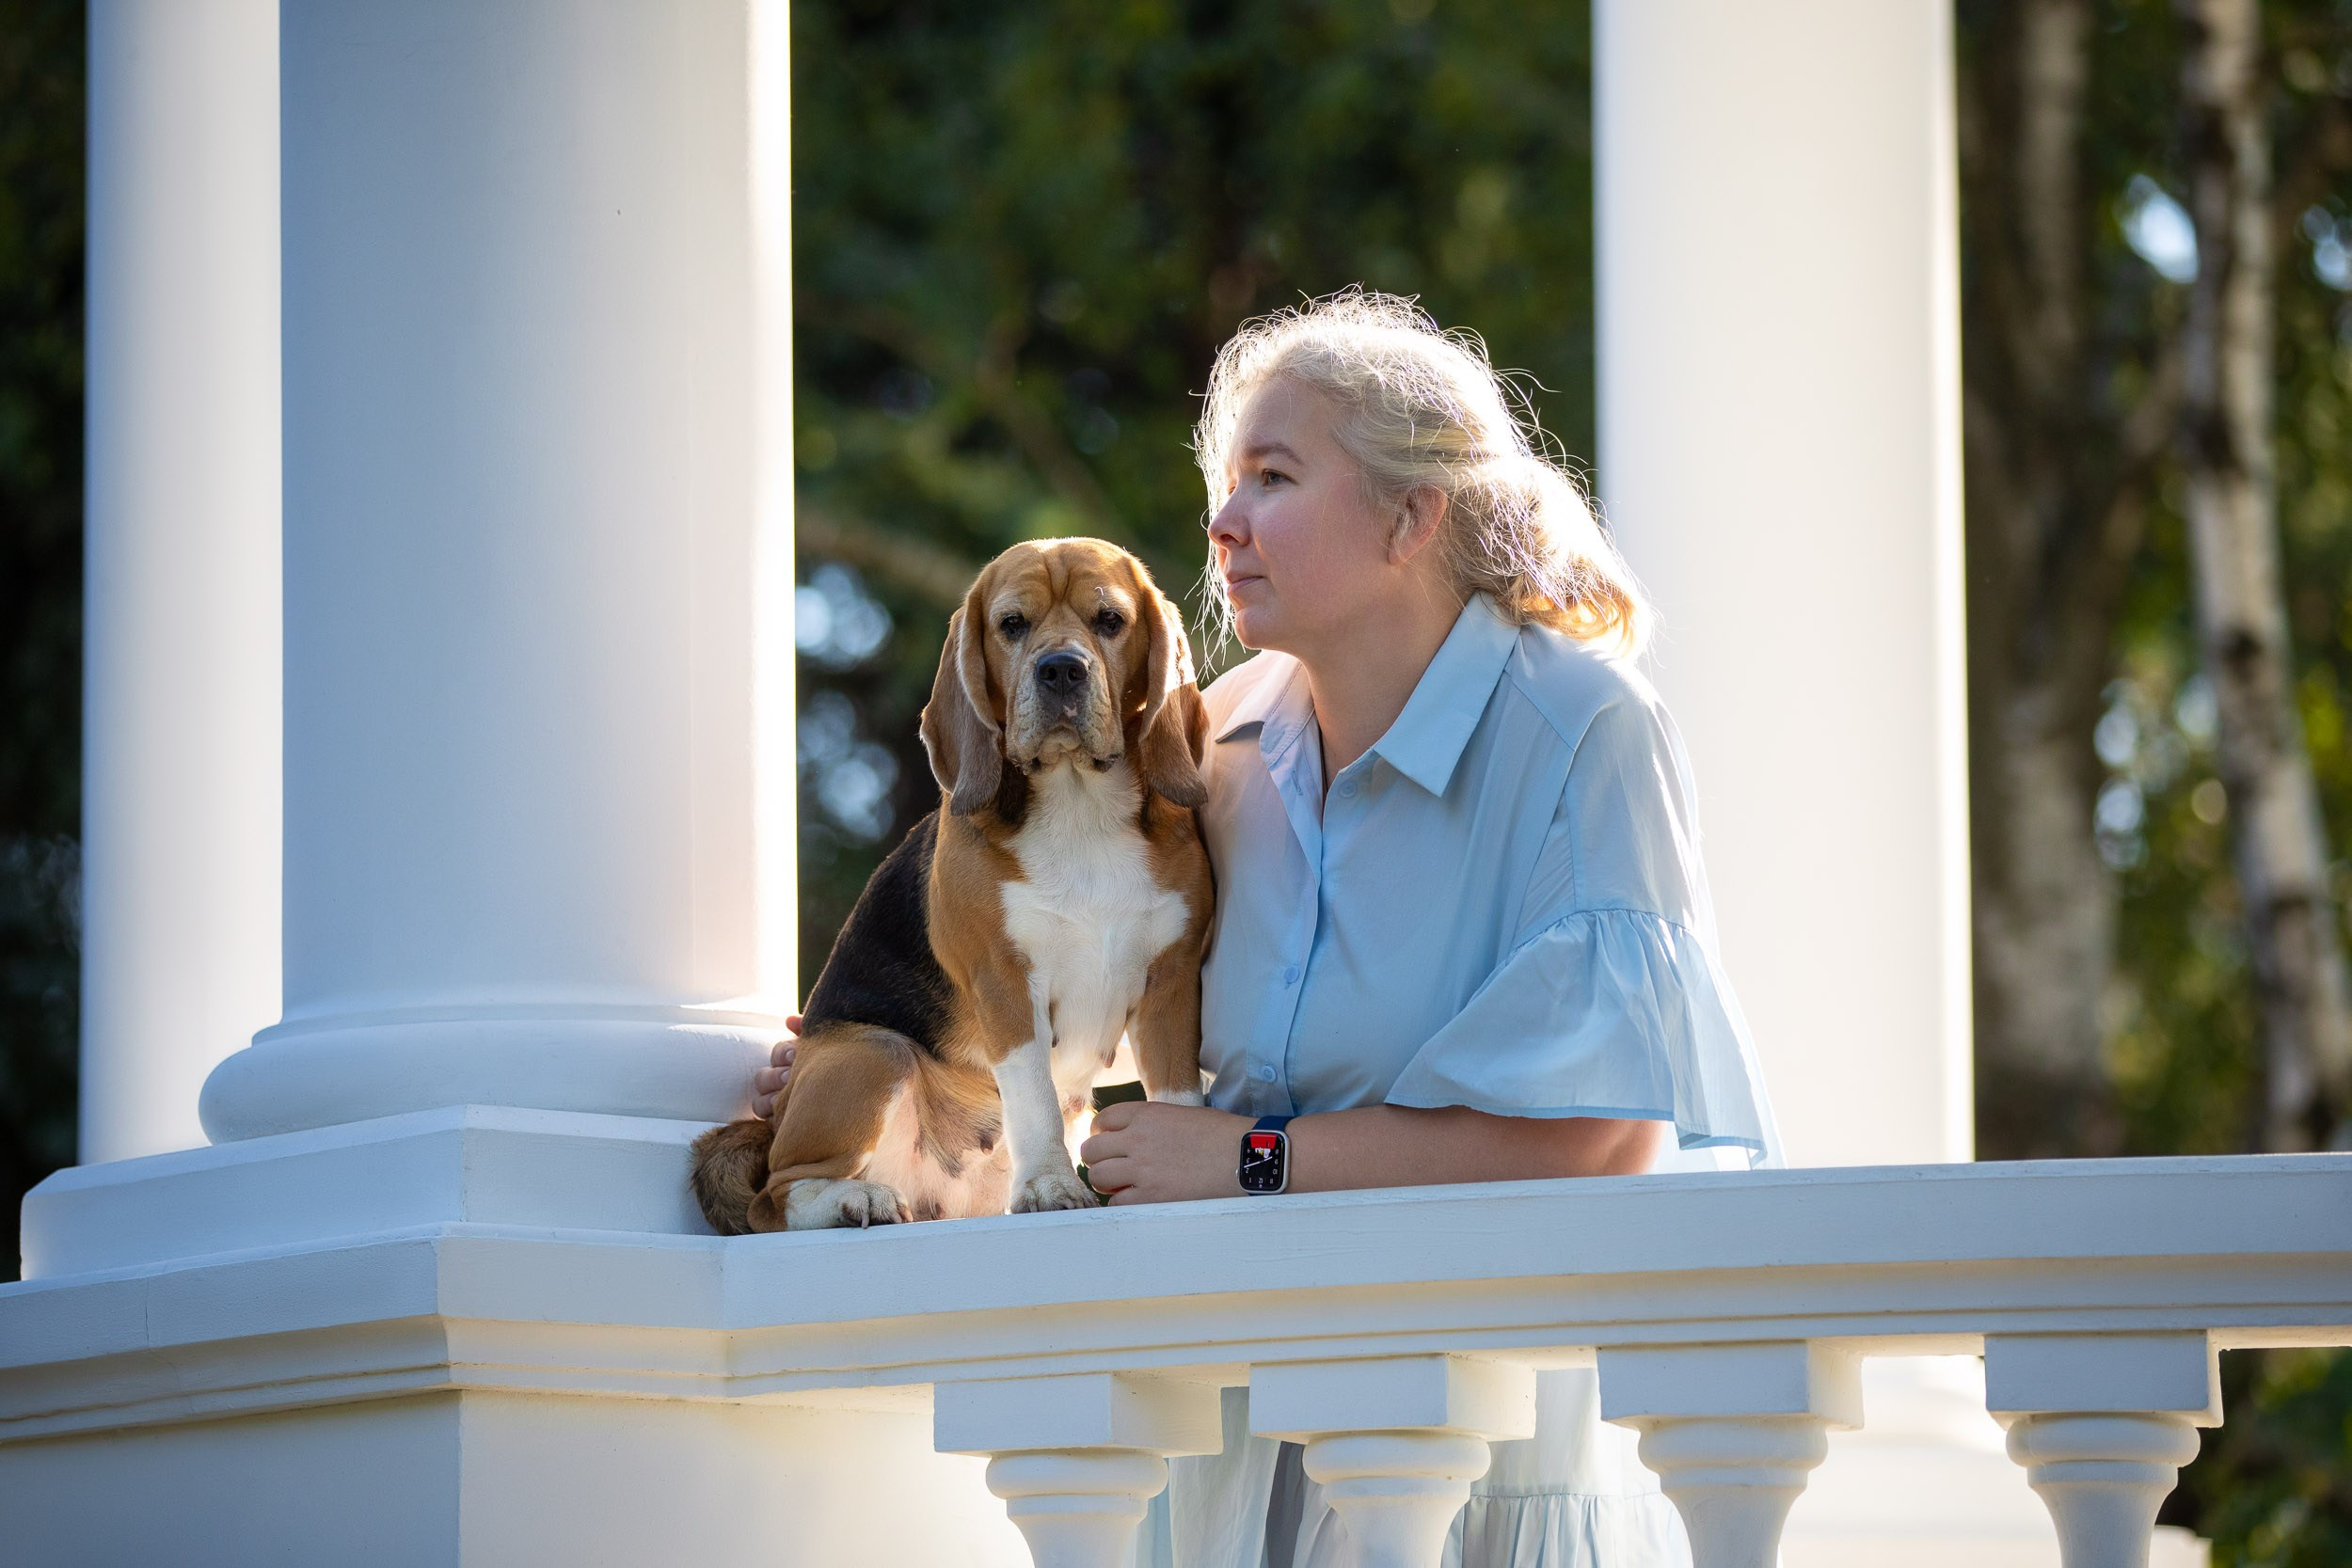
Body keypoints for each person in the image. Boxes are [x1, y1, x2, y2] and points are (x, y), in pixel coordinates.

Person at [755, 290, 1777, 1568]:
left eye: (1273, 477)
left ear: (1412, 515)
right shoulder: (1215, 739)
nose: (1221, 522)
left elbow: (1597, 1134)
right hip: (1234, 1451)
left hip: (1476, 1456)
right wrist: (901, 1063)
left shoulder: (1583, 732)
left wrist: (1250, 1160)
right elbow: (1084, 984)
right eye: (1224, 484)